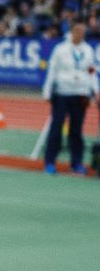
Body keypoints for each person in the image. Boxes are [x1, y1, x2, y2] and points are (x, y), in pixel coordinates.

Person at [40, 17, 97, 175]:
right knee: (56, 128)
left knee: (77, 130)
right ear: (71, 32)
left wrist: (95, 91)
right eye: (78, 31)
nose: (81, 34)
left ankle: (76, 163)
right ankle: (50, 162)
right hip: (62, 93)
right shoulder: (60, 49)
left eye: (83, 32)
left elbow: (91, 72)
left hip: (80, 94)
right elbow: (52, 70)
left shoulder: (88, 50)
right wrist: (47, 90)